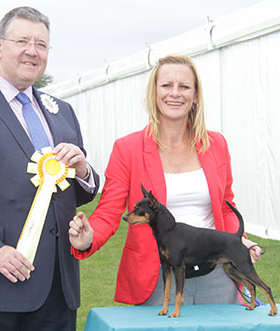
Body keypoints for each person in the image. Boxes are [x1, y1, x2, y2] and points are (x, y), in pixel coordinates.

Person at [69, 54, 262, 307]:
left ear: (195, 96)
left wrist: (240, 240)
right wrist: (88, 239)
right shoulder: (127, 148)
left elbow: (226, 207)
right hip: (159, 278)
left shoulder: (216, 145)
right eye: (166, 85)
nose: (175, 93)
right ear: (154, 92)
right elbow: (108, 211)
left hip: (216, 276)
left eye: (184, 86)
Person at [0, 6, 99, 331]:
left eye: (41, 45)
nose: (32, 51)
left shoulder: (62, 111)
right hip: (2, 277)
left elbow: (76, 192)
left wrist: (84, 171)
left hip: (60, 283)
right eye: (22, 41)